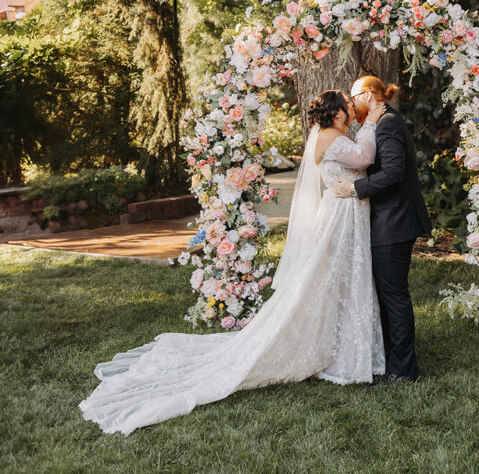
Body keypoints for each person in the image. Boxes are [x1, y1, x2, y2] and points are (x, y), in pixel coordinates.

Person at [79, 90, 387, 435]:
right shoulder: (332, 137)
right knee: (332, 277)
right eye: (348, 103)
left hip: (347, 213)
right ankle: (333, 351)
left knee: (339, 278)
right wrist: (372, 123)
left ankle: (338, 346)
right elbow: (364, 158)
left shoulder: (334, 134)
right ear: (339, 114)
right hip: (340, 218)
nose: (352, 106)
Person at [333, 76, 432, 384]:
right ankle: (393, 359)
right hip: (392, 219)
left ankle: (404, 371)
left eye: (353, 98)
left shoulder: (387, 123)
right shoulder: (385, 120)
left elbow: (392, 172)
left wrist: (354, 188)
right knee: (389, 293)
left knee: (394, 295)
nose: (351, 105)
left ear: (369, 95)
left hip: (394, 221)